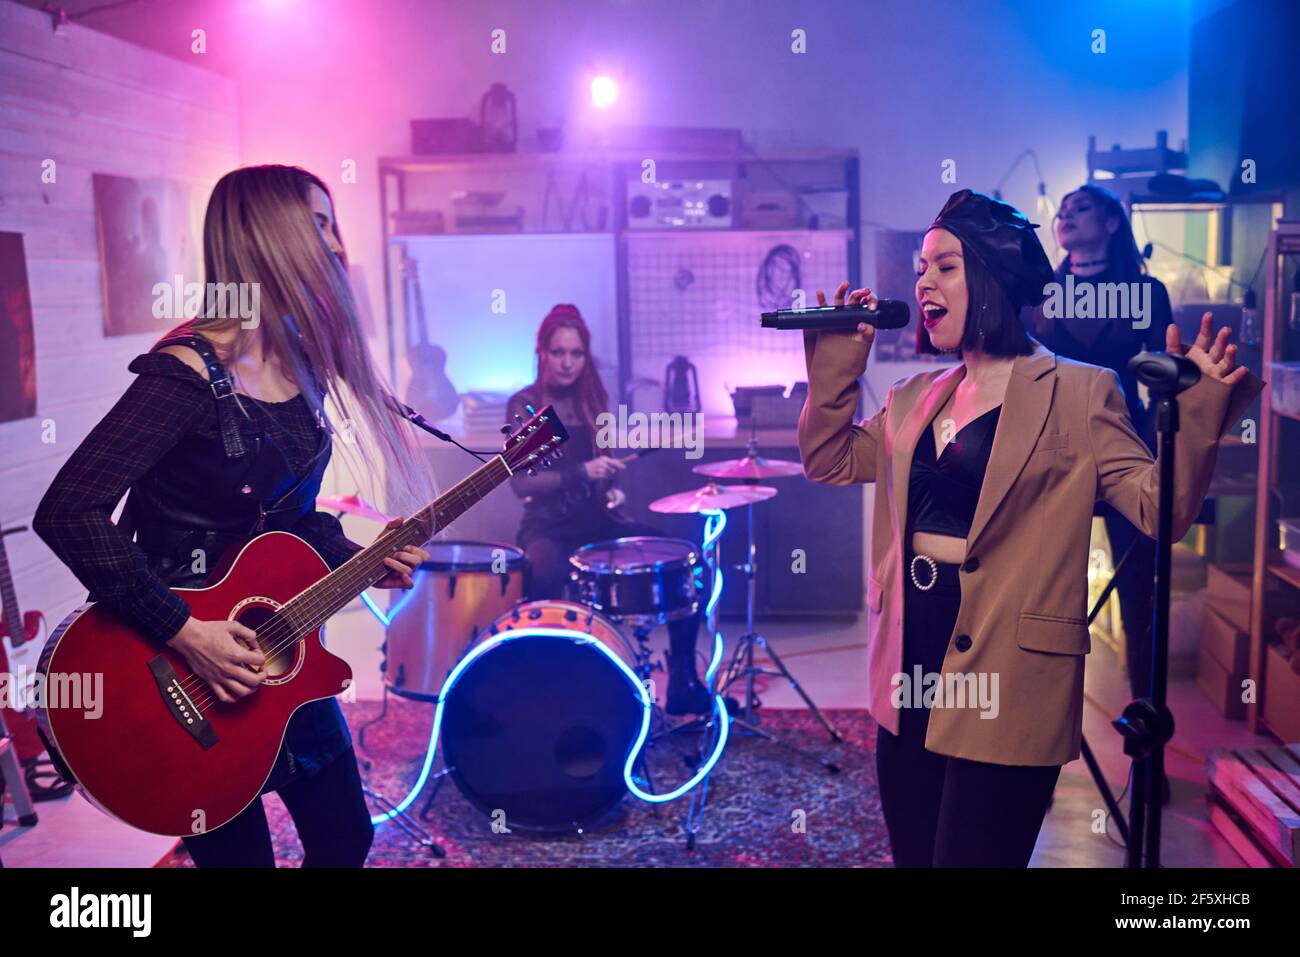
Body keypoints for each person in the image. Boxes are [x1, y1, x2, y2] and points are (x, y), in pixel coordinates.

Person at [797, 189, 1262, 867]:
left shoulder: (1080, 392)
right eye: (921, 268)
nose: (923, 281)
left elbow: (1158, 506)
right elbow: (829, 458)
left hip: (1008, 681)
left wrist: (1194, 419)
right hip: (910, 669)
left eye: (945, 266)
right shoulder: (913, 400)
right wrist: (836, 364)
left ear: (991, 274)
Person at [33, 165, 433, 867]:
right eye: (320, 224)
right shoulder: (185, 374)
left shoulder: (301, 366)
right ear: (268, 236)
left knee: (347, 838)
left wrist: (364, 557)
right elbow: (68, 511)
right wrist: (186, 633)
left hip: (279, 651)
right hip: (177, 674)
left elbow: (293, 521)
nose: (339, 245)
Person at [506, 304, 711, 715]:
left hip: (598, 523)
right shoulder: (527, 405)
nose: (567, 363)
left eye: (576, 354)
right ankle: (541, 687)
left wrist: (609, 488)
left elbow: (603, 469)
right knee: (545, 569)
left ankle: (684, 678)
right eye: (559, 352)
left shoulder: (592, 401)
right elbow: (521, 482)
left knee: (685, 558)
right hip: (548, 527)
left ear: (586, 357)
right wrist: (583, 471)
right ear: (542, 352)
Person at [1031, 184, 1174, 708]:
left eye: (1081, 208)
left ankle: (1146, 749)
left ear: (1113, 223)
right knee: (1044, 602)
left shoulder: (1148, 292)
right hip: (1052, 456)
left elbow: (1166, 382)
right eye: (1062, 211)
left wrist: (1168, 454)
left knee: (1140, 598)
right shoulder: (1041, 292)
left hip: (1126, 454)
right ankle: (1034, 759)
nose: (1066, 216)